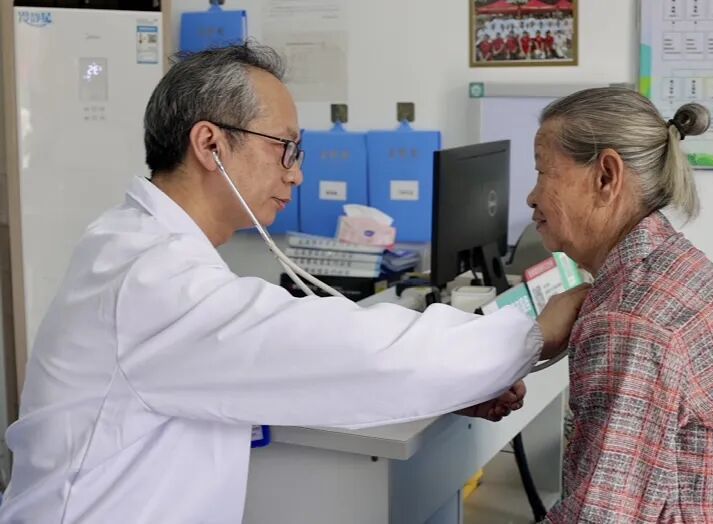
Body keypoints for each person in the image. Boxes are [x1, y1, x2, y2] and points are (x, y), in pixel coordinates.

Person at [0, 44, 589, 523]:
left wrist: (454, 381)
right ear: (209, 144)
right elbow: (352, 351)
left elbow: (279, 370)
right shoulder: (151, 278)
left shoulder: (143, 246)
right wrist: (532, 334)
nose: (298, 174)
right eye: (286, 149)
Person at [526, 88, 713, 522]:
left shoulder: (631, 319)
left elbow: (601, 517)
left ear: (606, 177)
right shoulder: (667, 262)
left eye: (542, 173)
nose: (531, 197)